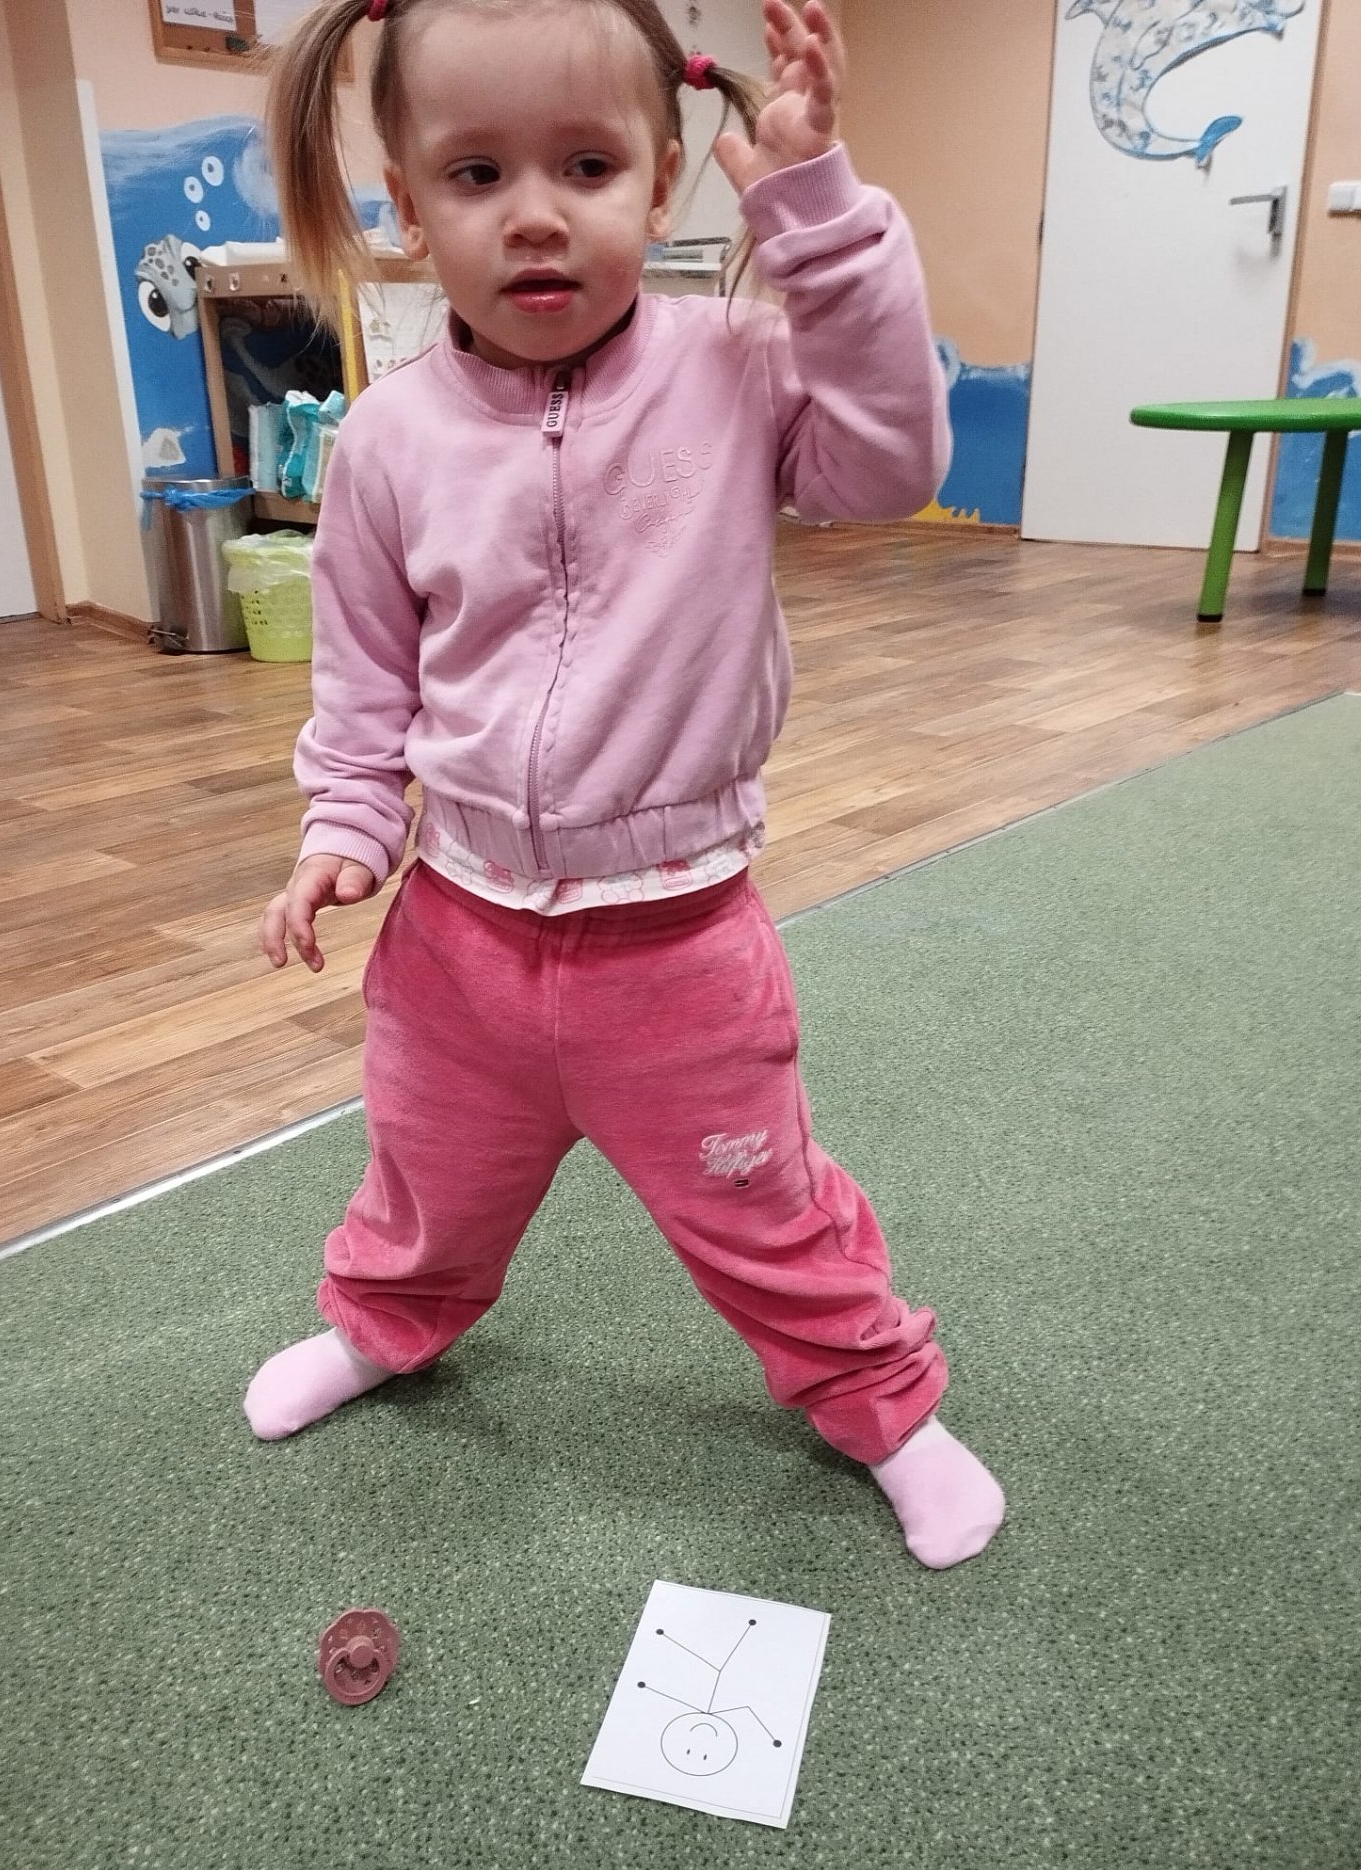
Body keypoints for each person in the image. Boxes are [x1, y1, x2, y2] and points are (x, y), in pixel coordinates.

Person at [245, 0, 1005, 1571]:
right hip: (456, 940)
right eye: (475, 174)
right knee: (426, 1178)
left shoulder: (736, 370)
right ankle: (384, 1326)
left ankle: (881, 1405)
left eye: (584, 166)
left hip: (678, 949)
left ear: (661, 186)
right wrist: (344, 827)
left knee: (765, 1211)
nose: (533, 214)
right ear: (406, 204)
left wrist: (815, 215)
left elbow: (890, 468)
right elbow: (365, 680)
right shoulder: (384, 441)